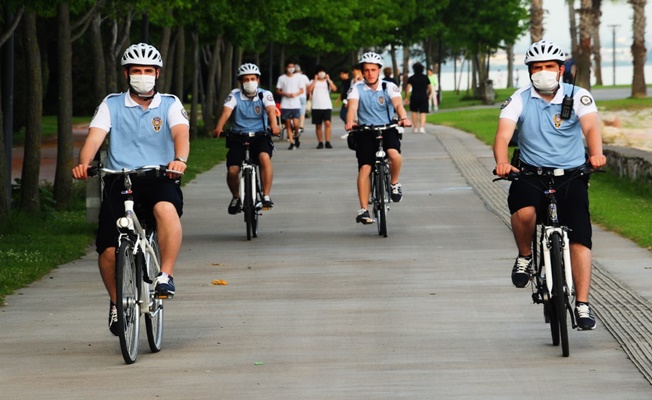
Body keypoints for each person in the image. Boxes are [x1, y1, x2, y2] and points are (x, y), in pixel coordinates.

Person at [71, 43, 189, 336]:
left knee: (165, 209)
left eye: (148, 71)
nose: (143, 75)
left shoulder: (170, 104)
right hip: (118, 178)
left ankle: (165, 275)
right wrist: (84, 163)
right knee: (109, 249)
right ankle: (116, 302)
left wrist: (180, 159)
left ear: (157, 73)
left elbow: (181, 135)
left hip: (160, 176)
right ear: (127, 73)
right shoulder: (110, 104)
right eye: (137, 71)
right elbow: (95, 138)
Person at [493, 40, 607, 331]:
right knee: (525, 213)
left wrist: (595, 153)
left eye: (549, 67)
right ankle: (525, 256)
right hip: (530, 173)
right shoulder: (518, 99)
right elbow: (504, 134)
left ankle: (581, 304)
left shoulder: (578, 96)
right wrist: (502, 162)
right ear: (529, 71)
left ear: (561, 69)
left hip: (571, 174)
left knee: (580, 237)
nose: (543, 72)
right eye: (537, 67)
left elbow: (591, 126)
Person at [345, 51, 412, 224]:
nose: (370, 73)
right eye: (366, 70)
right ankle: (364, 210)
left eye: (373, 70)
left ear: (379, 70)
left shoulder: (388, 86)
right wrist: (350, 121)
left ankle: (394, 183)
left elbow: (398, 103)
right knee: (365, 168)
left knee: (394, 155)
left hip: (387, 127)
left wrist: (403, 118)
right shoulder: (356, 88)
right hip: (365, 131)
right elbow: (352, 107)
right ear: (362, 71)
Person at [213, 63, 281, 213]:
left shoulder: (265, 94)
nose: (249, 82)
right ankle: (236, 197)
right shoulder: (235, 95)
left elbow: (270, 111)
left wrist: (274, 126)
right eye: (245, 79)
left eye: (252, 78)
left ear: (258, 79)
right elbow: (226, 112)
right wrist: (219, 127)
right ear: (240, 82)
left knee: (264, 158)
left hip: (260, 135)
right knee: (232, 170)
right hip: (238, 136)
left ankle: (266, 195)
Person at [307, 65, 337, 149]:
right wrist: (315, 80)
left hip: (326, 105)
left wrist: (329, 80)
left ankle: (327, 141)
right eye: (320, 72)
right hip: (316, 106)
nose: (321, 73)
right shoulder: (312, 81)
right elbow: (309, 90)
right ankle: (320, 142)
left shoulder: (327, 82)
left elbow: (334, 89)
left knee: (327, 123)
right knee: (318, 125)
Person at [276, 62, 304, 150]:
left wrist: (295, 94)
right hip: (286, 104)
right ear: (286, 68)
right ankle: (291, 142)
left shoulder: (297, 78)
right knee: (288, 123)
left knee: (296, 123)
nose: (291, 68)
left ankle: (296, 135)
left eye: (292, 67)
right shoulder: (282, 78)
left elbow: (302, 90)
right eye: (289, 67)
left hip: (295, 103)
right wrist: (285, 94)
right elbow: (278, 90)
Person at [405, 62, 431, 134]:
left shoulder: (412, 78)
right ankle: (422, 127)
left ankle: (415, 128)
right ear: (422, 69)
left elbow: (408, 88)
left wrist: (406, 97)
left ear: (414, 69)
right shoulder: (425, 77)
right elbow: (430, 88)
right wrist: (428, 94)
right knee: (423, 112)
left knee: (414, 112)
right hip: (423, 96)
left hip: (414, 96)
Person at [295, 64, 311, 135]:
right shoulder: (304, 77)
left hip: (295, 97)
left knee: (295, 112)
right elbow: (308, 86)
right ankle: (301, 126)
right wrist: (309, 94)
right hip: (303, 96)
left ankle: (295, 125)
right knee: (302, 112)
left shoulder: (293, 77)